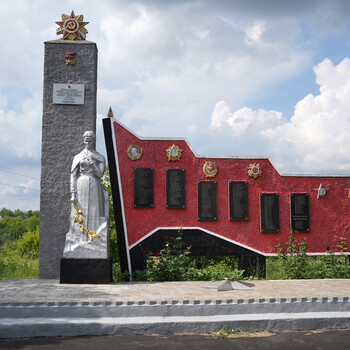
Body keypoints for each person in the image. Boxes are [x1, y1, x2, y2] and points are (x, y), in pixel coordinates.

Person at [63, 131, 109, 258]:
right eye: (85, 140)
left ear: (94, 141)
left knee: (94, 211)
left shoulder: (100, 157)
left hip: (94, 184)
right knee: (81, 212)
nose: (87, 143)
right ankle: (80, 238)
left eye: (90, 140)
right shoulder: (78, 156)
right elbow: (73, 175)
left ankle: (93, 239)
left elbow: (100, 174)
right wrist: (73, 193)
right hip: (81, 183)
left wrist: (93, 163)